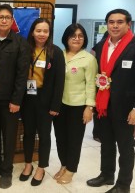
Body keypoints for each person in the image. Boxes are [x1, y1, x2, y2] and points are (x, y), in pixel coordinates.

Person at [86, 9, 135, 193]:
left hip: (127, 108)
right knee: (106, 143)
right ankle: (106, 175)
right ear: (107, 24)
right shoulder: (100, 46)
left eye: (119, 22)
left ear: (128, 24)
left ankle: (123, 185)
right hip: (104, 106)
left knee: (125, 148)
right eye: (111, 22)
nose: (115, 25)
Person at [0, 4, 31, 189]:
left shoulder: (21, 43)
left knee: (9, 137)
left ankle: (6, 171)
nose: (3, 20)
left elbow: (22, 75)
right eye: (0, 17)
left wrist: (16, 101)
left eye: (7, 17)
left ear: (12, 21)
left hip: (10, 100)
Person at [19, 18, 65, 186]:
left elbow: (60, 81)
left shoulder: (56, 52)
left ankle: (41, 167)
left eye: (45, 31)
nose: (42, 34)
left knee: (44, 135)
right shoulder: (25, 49)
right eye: (38, 30)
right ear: (32, 32)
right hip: (27, 98)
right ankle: (28, 164)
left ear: (49, 33)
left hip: (46, 100)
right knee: (28, 133)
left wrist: (55, 105)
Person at [52, 23, 97, 184]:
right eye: (73, 36)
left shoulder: (89, 59)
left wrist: (89, 107)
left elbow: (91, 84)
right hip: (59, 104)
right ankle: (64, 164)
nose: (76, 39)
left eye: (80, 36)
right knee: (60, 138)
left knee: (74, 139)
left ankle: (71, 169)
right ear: (66, 38)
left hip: (78, 106)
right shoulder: (59, 54)